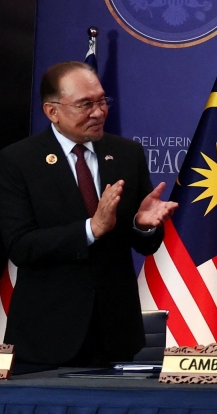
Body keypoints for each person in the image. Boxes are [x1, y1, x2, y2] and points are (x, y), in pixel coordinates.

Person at [0, 61, 177, 366]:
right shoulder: (18, 161)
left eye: (101, 101)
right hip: (46, 336)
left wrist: (141, 225)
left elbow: (145, 244)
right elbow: (21, 246)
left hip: (115, 334)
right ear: (52, 111)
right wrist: (90, 229)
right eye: (85, 104)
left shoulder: (126, 154)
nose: (98, 112)